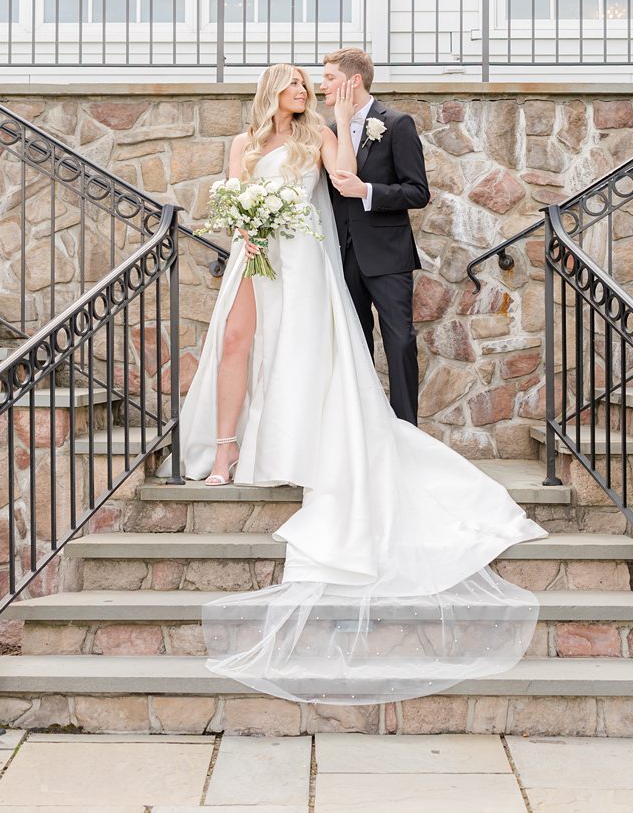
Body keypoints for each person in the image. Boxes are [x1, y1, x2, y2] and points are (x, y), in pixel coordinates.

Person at [169, 63, 545, 704]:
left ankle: (300, 445)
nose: (303, 91)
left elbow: (345, 179)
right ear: (269, 91)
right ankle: (225, 449)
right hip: (256, 252)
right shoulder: (244, 143)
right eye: (292, 84)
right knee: (234, 343)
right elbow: (231, 199)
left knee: (302, 351)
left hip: (304, 257)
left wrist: (341, 119)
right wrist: (246, 226)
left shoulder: (319, 130)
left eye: (306, 84)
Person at [319, 48, 430, 425]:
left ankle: (406, 429)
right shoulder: (330, 132)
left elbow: (418, 191)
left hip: (387, 255)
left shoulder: (396, 124)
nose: (322, 87)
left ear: (353, 81)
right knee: (355, 344)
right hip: (343, 254)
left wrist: (367, 191)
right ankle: (366, 430)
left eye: (329, 78)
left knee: (399, 341)